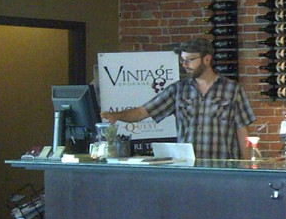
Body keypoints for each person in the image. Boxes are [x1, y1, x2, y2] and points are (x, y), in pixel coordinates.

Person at [100, 38, 256, 160]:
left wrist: (247, 166)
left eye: (190, 59)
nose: (184, 64)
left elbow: (242, 130)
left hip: (222, 168)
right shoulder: (178, 90)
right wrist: (116, 116)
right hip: (188, 168)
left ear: (207, 59)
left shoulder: (232, 89)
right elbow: (142, 112)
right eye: (182, 60)